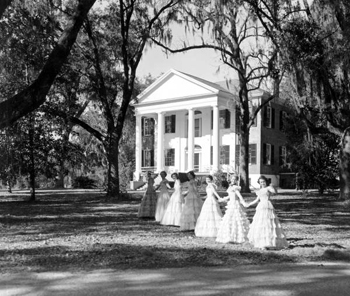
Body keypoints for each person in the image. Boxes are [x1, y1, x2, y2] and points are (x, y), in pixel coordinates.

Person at [246, 175, 288, 250]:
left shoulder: (268, 188)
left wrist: (272, 187)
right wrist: (249, 204)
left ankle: (270, 241)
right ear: (259, 183)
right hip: (261, 206)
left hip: (267, 205)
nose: (262, 183)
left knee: (268, 223)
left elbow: (275, 192)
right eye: (261, 182)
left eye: (263, 181)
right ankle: (262, 243)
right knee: (261, 223)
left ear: (266, 181)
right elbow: (256, 200)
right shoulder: (259, 190)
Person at [216, 176, 250, 244]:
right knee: (229, 219)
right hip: (231, 203)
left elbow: (239, 195)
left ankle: (238, 237)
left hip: (235, 204)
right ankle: (229, 236)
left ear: (236, 180)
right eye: (232, 179)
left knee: (236, 218)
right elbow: (230, 195)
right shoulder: (230, 187)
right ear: (230, 179)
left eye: (234, 179)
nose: (233, 180)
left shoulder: (235, 187)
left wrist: (243, 202)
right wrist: (223, 199)